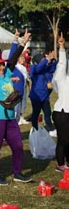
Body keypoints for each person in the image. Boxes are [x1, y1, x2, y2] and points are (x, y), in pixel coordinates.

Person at [0, 29, 32, 186]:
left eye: (2, 65)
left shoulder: (7, 73)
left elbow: (13, 59)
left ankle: (17, 172)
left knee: (17, 146)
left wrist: (22, 44)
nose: (1, 67)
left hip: (10, 117)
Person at [29, 49, 57, 136]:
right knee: (36, 113)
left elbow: (53, 68)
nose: (44, 61)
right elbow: (38, 68)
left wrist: (53, 59)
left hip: (45, 96)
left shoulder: (46, 69)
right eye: (42, 59)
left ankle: (51, 129)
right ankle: (34, 128)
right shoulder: (33, 68)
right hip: (36, 96)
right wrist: (47, 59)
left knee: (47, 113)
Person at [52, 32, 69, 172]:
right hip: (61, 113)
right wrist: (62, 47)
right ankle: (60, 164)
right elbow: (62, 63)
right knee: (63, 140)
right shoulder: (62, 78)